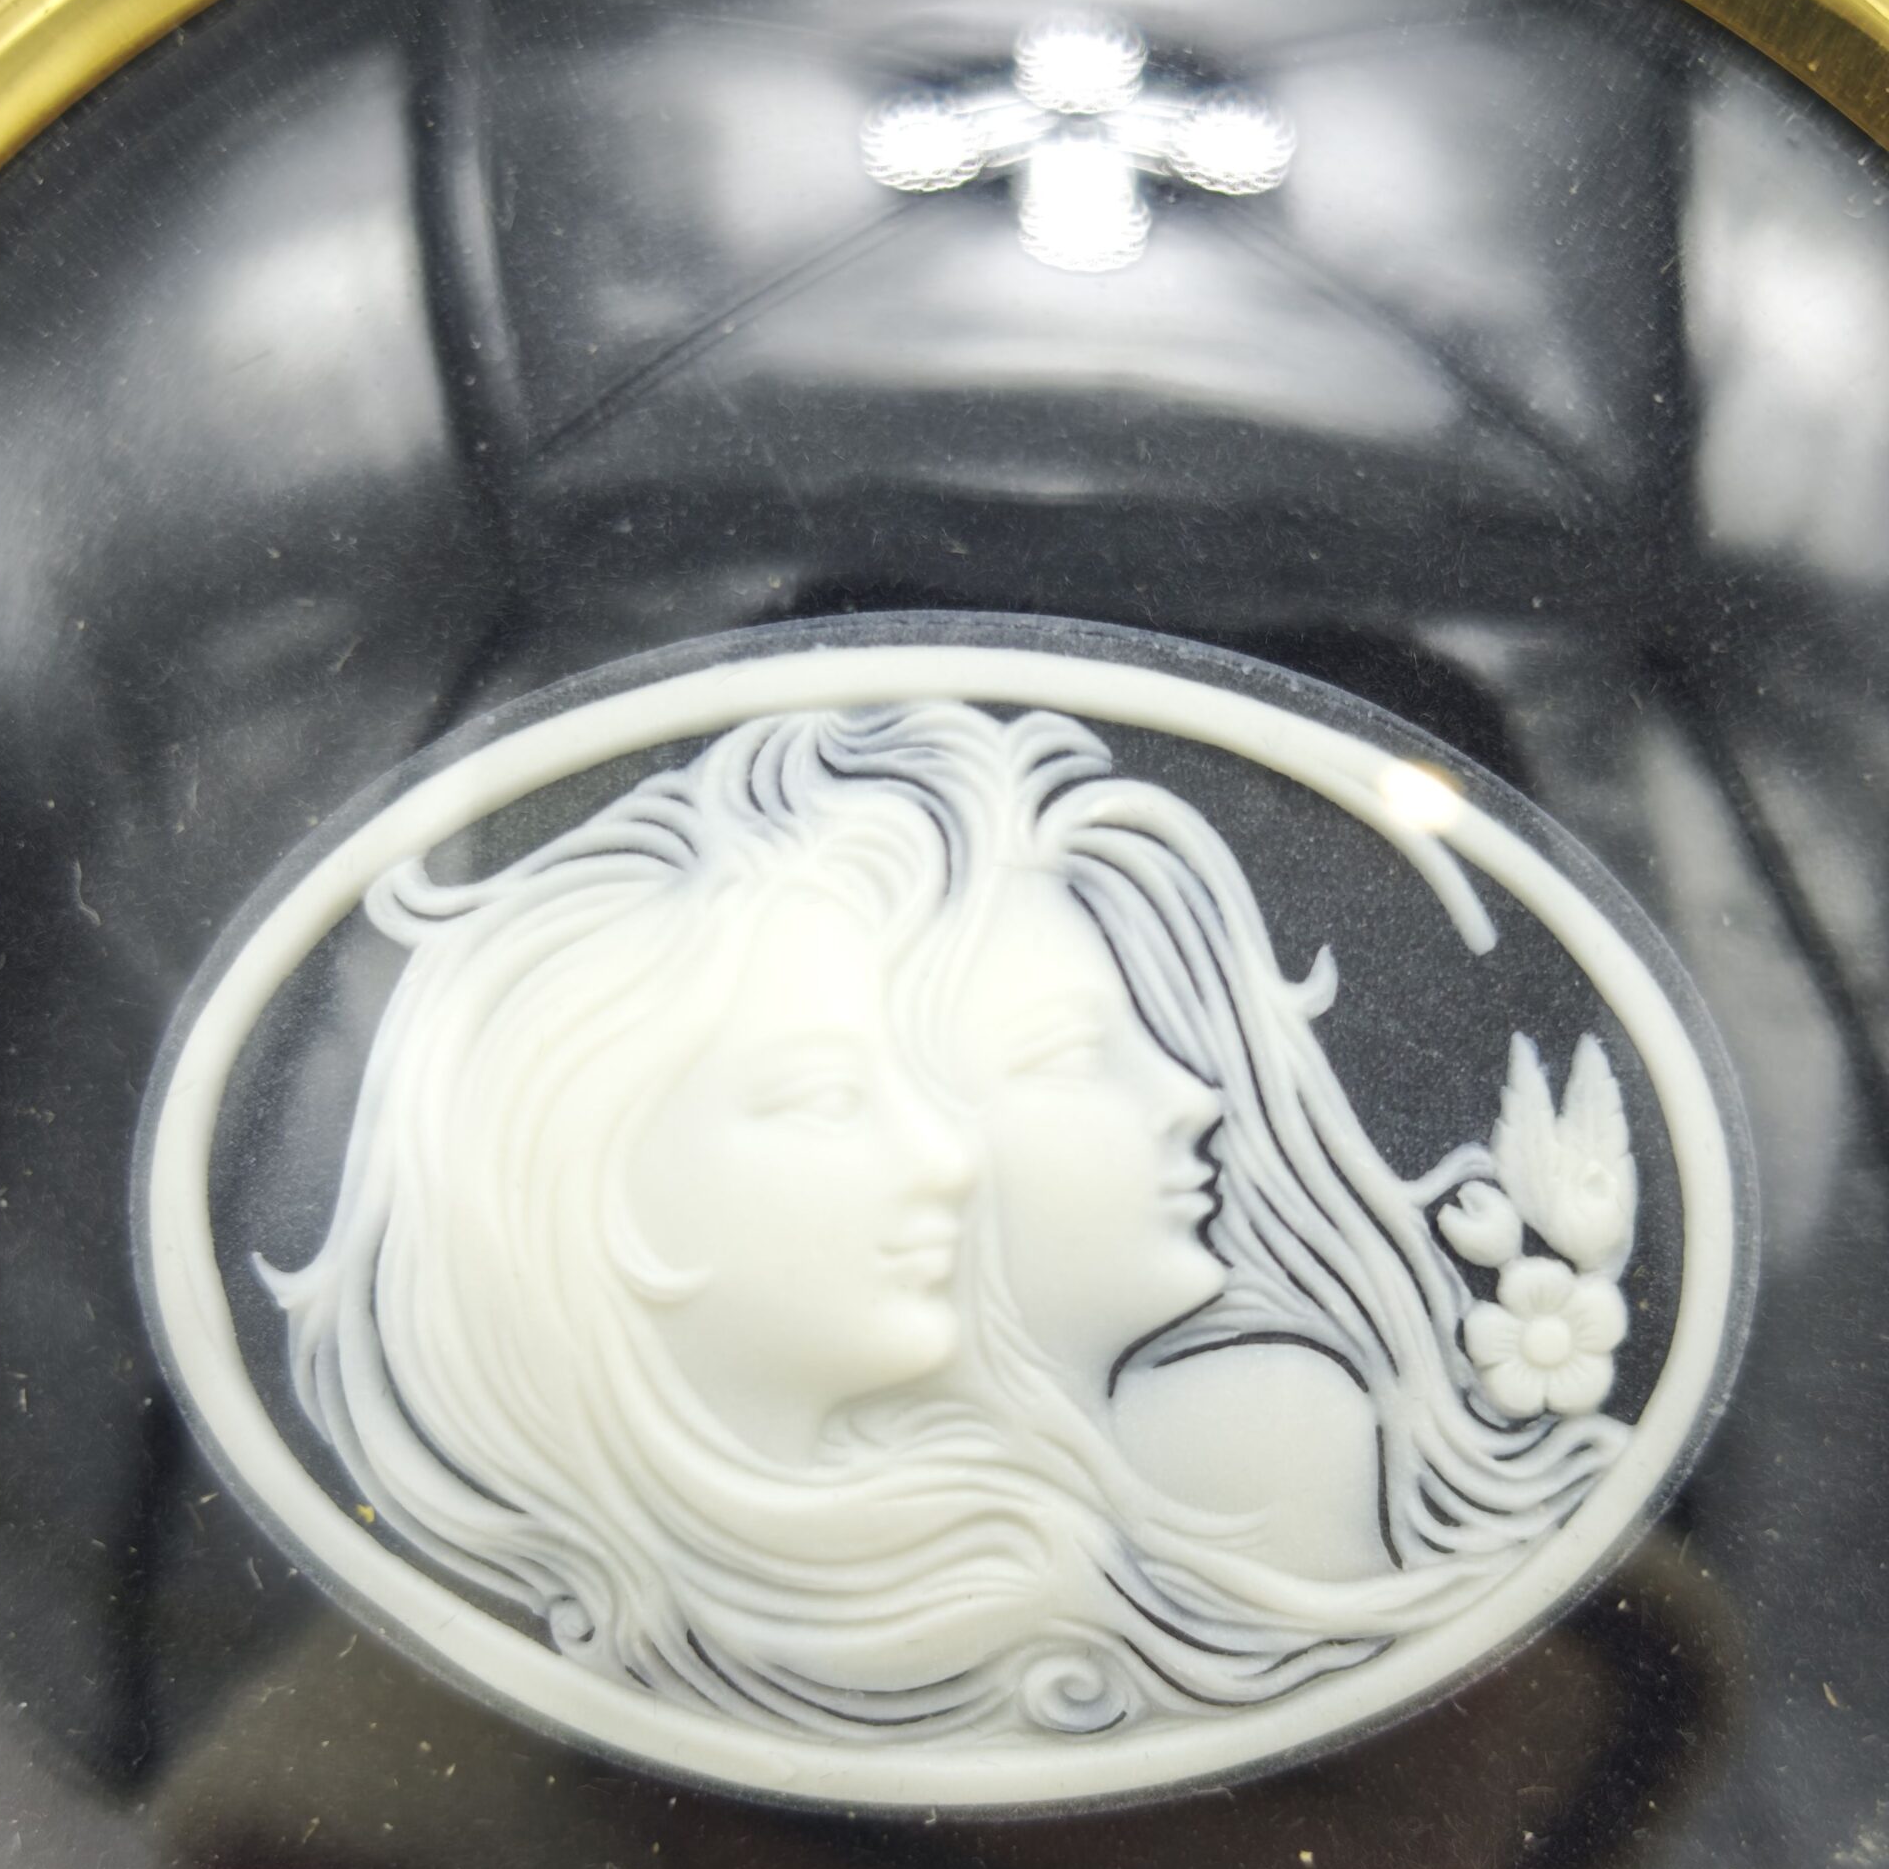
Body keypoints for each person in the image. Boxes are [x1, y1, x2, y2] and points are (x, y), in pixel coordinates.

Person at [264, 700, 1628, 1742]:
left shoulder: (1246, 1451)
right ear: (604, 1199)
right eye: (1064, 1056)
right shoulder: (450, 1678)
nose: (1194, 1097)